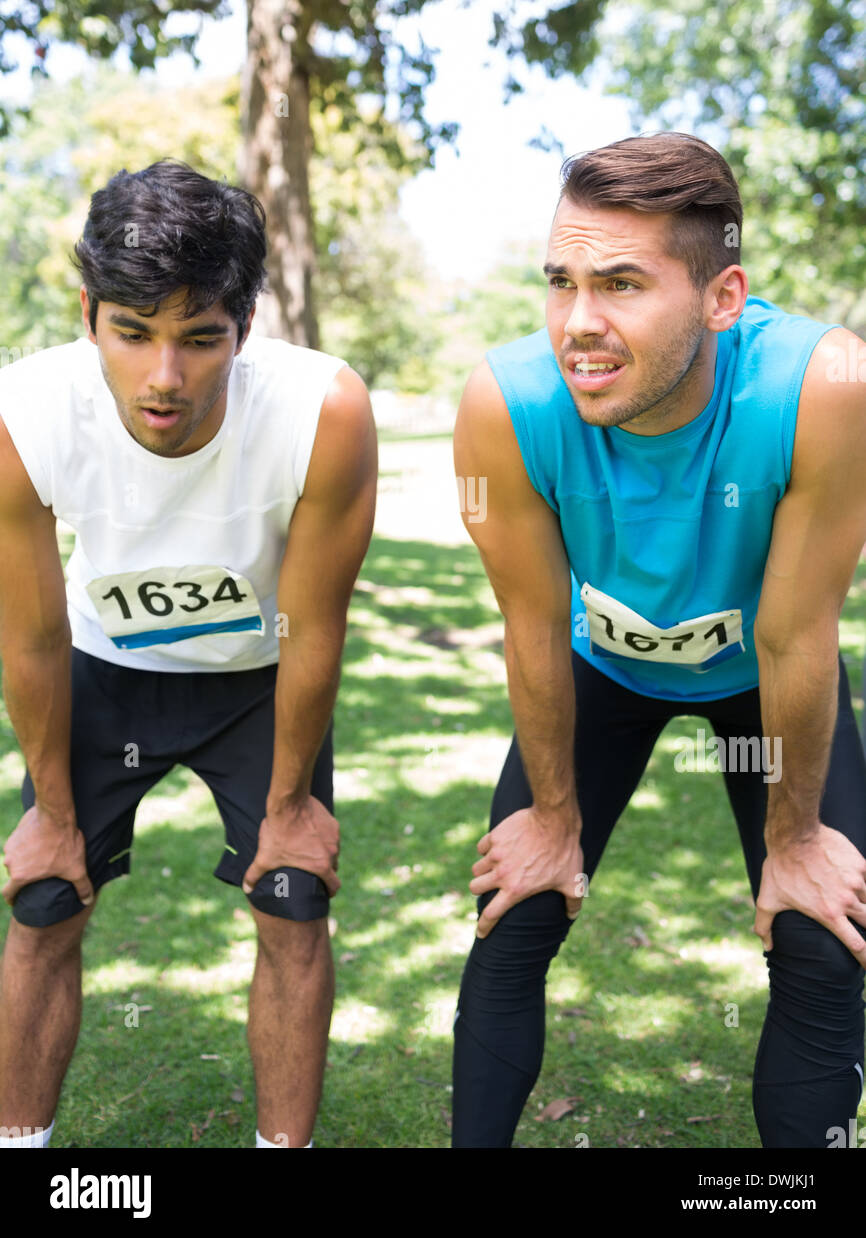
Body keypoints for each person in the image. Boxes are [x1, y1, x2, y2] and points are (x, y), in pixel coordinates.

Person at [450, 131, 866, 1149]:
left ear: (721, 297)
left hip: (756, 685)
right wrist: (552, 817)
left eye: (621, 284)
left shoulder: (826, 388)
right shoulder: (501, 404)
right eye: (560, 281)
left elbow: (792, 632)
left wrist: (793, 838)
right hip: (603, 674)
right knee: (513, 917)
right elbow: (535, 625)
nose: (576, 325)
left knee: (821, 939)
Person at [0, 160, 377, 1149]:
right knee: (43, 902)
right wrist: (48, 808)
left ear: (244, 327)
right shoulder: (24, 415)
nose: (163, 377)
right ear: (88, 314)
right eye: (132, 332)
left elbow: (314, 629)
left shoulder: (322, 411)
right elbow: (31, 635)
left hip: (259, 681)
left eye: (199, 339)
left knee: (293, 900)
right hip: (101, 674)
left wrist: (292, 808)